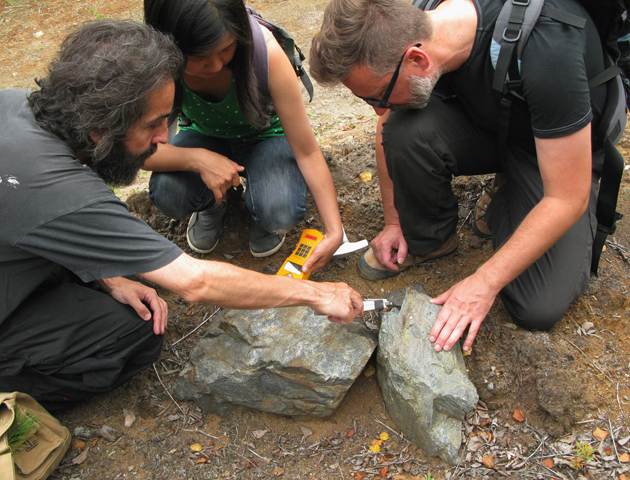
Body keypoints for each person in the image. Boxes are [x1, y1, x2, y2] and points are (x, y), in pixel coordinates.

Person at [0, 19, 363, 411]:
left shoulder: (17, 103)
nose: (163, 139)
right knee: (134, 337)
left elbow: (41, 216)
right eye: (154, 124)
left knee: (124, 296)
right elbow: (195, 281)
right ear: (99, 130)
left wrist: (107, 273)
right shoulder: (58, 189)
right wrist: (315, 294)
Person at [309, 0, 609, 353]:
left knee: (537, 305)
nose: (377, 109)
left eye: (377, 96)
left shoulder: (548, 47)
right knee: (405, 129)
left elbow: (567, 197)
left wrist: (483, 282)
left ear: (417, 60)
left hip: (549, 150)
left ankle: (511, 190)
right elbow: (388, 125)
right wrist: (395, 221)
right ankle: (433, 238)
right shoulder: (419, 23)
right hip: (492, 124)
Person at [143, 0, 344, 270]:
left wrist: (335, 231)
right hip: (204, 136)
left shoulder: (265, 53)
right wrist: (199, 160)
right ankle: (214, 203)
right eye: (199, 57)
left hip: (266, 136)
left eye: (226, 49)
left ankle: (263, 215)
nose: (214, 65)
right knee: (169, 194)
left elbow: (307, 151)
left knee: (279, 212)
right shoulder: (155, 66)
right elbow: (141, 153)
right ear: (169, 46)